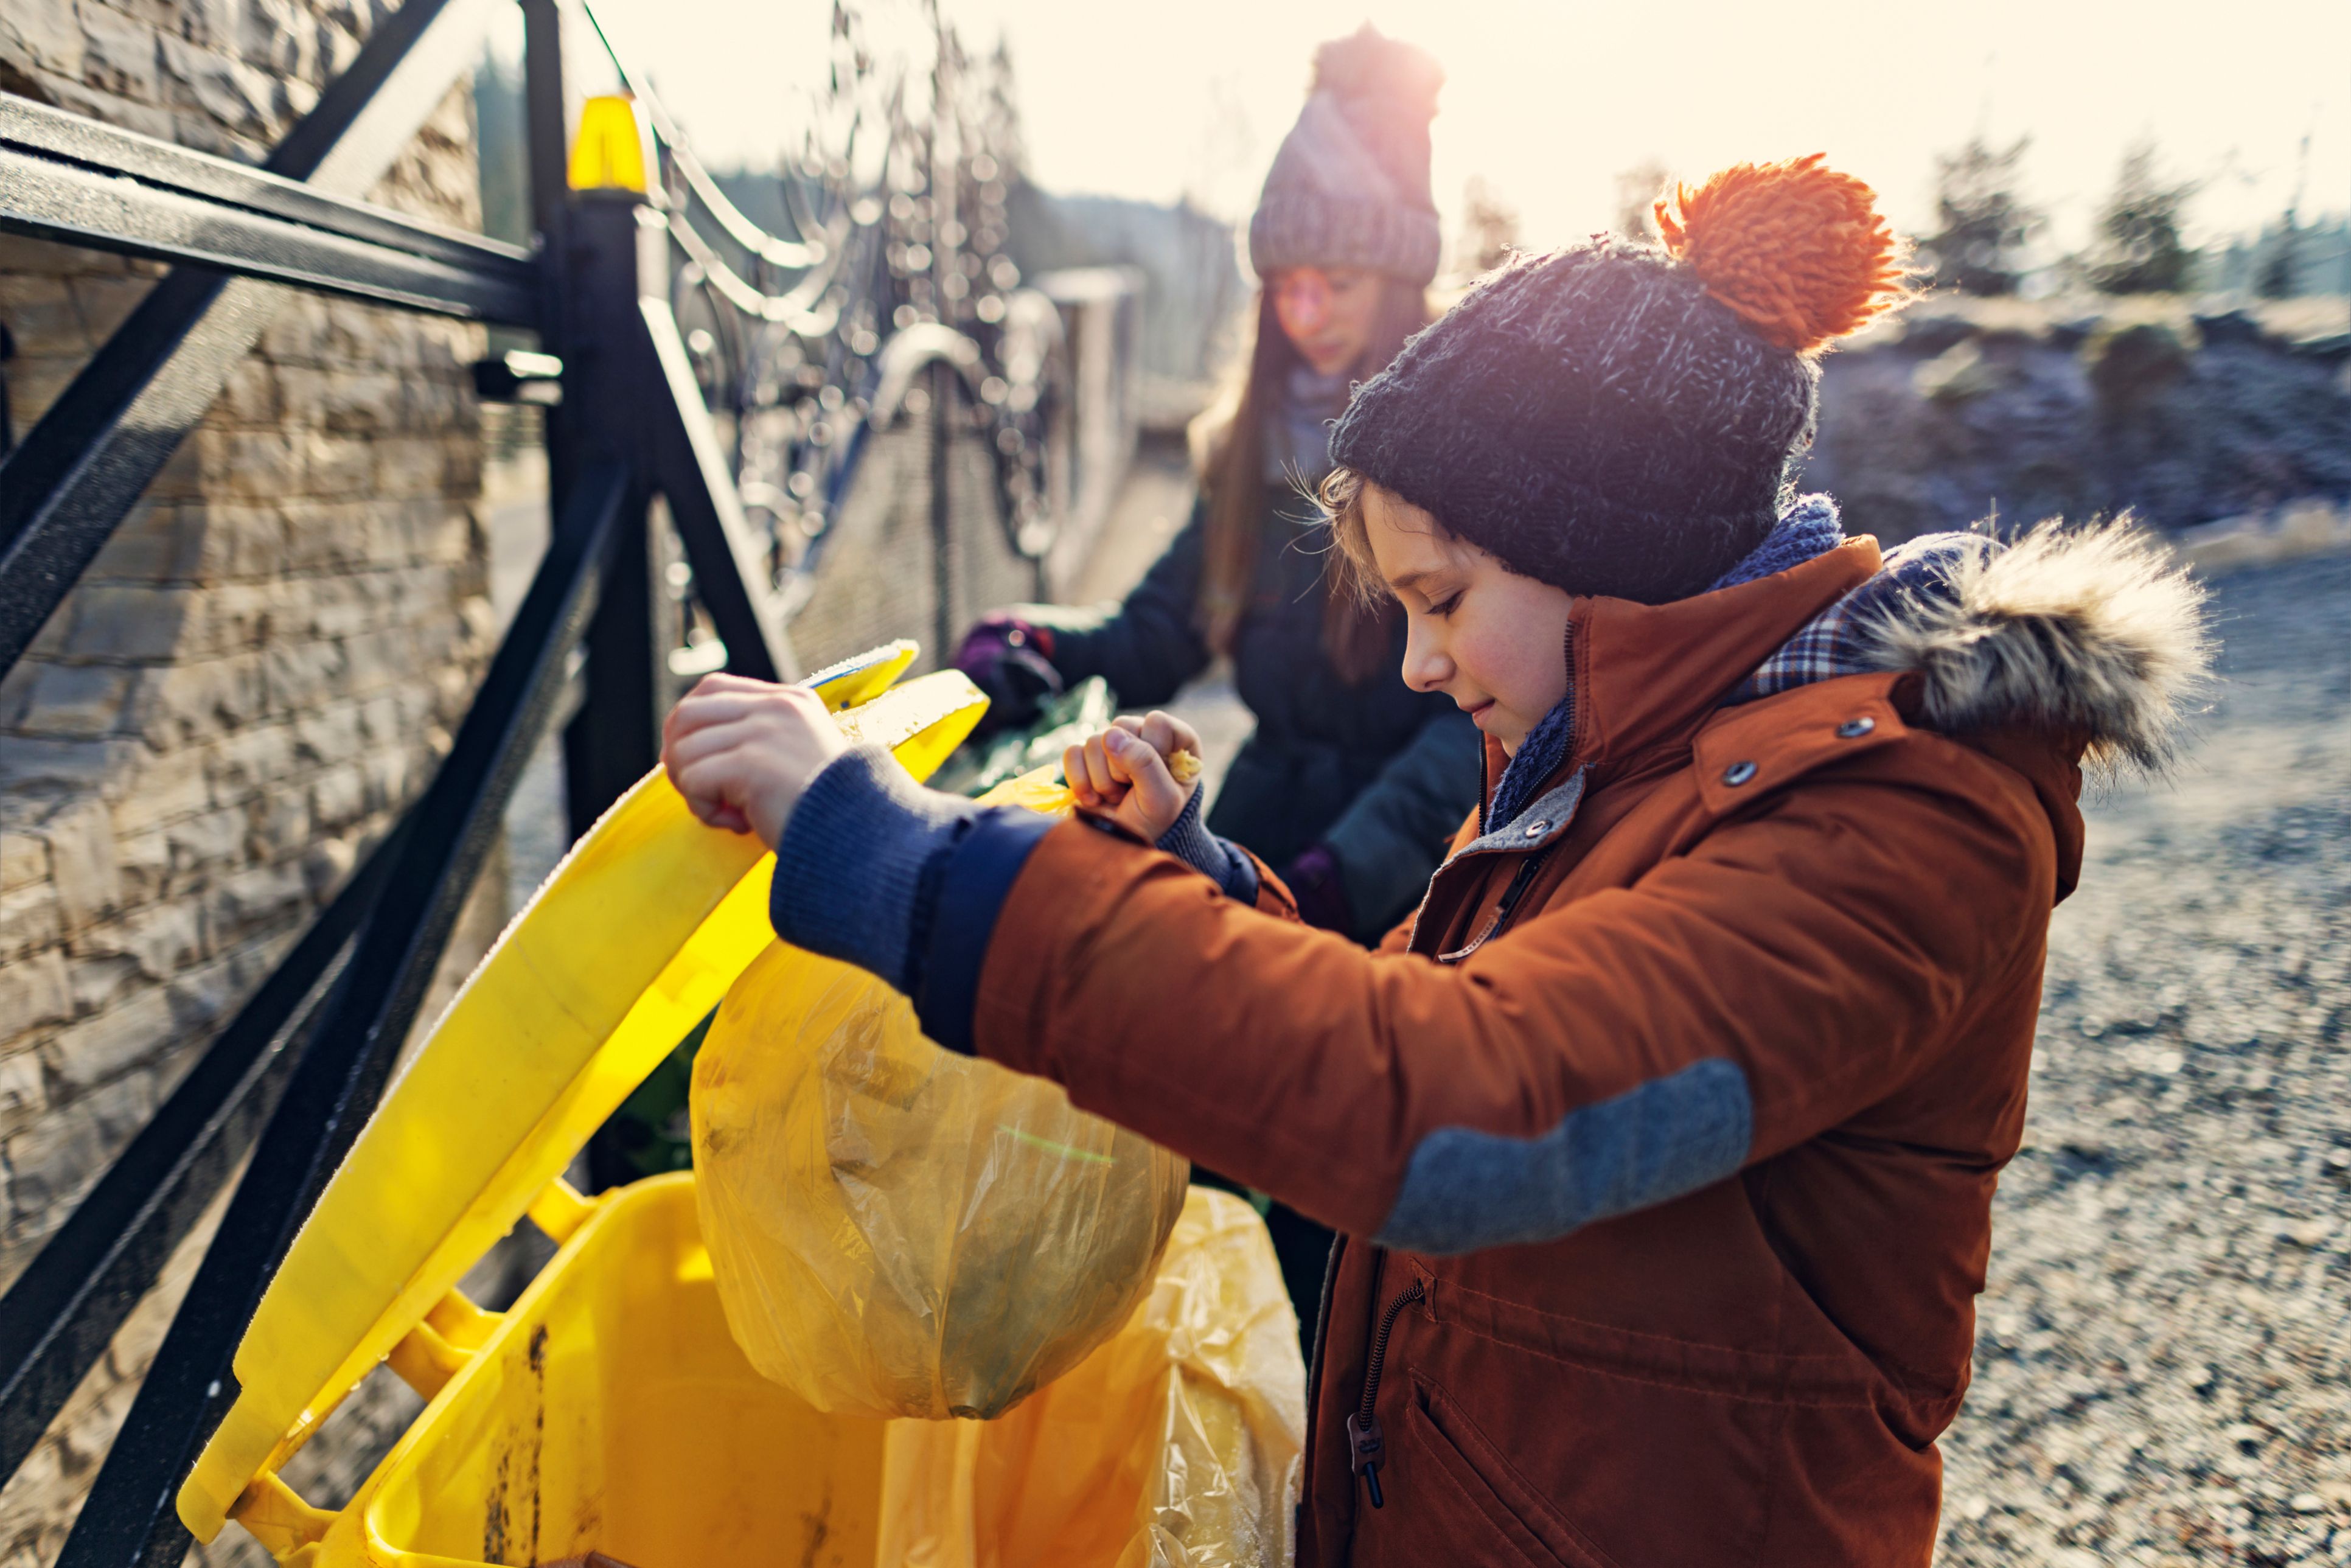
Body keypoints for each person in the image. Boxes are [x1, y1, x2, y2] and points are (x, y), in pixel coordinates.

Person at [661, 156, 2212, 1566]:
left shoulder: (1899, 824)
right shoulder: (1613, 763)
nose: (1415, 663)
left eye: (1444, 596)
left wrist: (900, 856)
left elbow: (1473, 1106)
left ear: (1603, 544)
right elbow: (1415, 998)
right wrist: (1202, 878)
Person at [955, 24, 1480, 947]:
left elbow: (1475, 726)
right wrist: (1036, 639)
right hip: (1256, 843)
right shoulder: (1252, 449)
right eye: (1287, 285)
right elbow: (1163, 629)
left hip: (1412, 883)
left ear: (1400, 282)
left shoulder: (1474, 451)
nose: (1306, 313)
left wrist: (1336, 882)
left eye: (1340, 282)